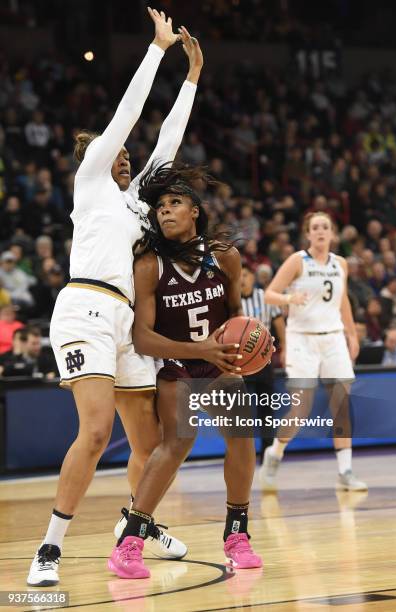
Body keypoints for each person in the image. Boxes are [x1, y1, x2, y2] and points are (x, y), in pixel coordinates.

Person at [27, 9, 201, 587]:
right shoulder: (91, 182)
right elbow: (128, 116)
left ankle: (141, 524)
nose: (126, 156)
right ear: (98, 156)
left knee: (151, 442)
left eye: (128, 157)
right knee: (97, 431)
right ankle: (49, 549)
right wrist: (157, 49)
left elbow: (168, 145)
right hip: (83, 311)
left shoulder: (132, 206)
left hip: (124, 320)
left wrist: (193, 78)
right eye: (117, 151)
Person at [108, 163, 262, 579]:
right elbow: (143, 337)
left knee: (243, 439)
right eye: (160, 206)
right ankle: (130, 542)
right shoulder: (150, 265)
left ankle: (237, 533)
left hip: (218, 364)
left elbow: (235, 314)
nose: (165, 211)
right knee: (175, 445)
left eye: (175, 203)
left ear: (195, 210)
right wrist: (202, 350)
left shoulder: (224, 257)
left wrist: (250, 346)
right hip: (177, 364)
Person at [260, 211, 368, 492]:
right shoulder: (298, 260)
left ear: (332, 234)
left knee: (341, 405)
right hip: (301, 340)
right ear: (308, 234)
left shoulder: (340, 263)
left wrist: (352, 334)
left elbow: (343, 301)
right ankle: (275, 452)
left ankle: (345, 472)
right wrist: (289, 297)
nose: (320, 231)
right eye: (315, 227)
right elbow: (269, 293)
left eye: (325, 227)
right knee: (301, 408)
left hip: (332, 338)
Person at [240, 263, 285, 456]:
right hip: (238, 362)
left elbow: (279, 325)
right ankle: (241, 451)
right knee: (239, 409)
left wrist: (285, 347)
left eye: (246, 275)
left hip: (264, 360)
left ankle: (267, 451)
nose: (242, 279)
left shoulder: (265, 297)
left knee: (266, 407)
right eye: (239, 275)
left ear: (253, 277)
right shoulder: (230, 300)